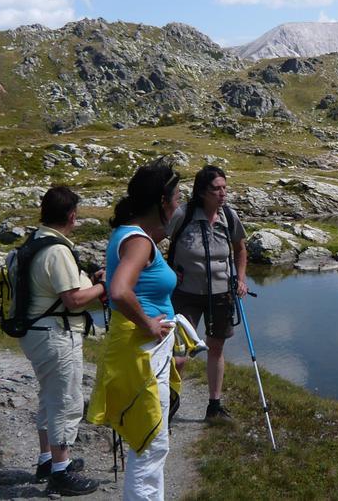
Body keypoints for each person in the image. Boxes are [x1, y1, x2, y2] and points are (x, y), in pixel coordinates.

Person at [87, 159, 182, 501]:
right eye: (176, 197)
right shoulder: (140, 241)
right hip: (141, 351)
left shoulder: (127, 233)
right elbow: (119, 291)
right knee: (151, 444)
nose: (178, 204)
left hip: (138, 349)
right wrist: (149, 325)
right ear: (161, 201)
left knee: (150, 442)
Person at [19, 186, 105, 497]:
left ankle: (47, 459)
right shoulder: (58, 251)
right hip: (56, 335)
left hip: (36, 332)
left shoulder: (34, 242)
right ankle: (61, 470)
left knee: (49, 396)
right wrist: (102, 287)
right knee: (65, 401)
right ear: (71, 215)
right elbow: (73, 299)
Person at [167, 165, 248, 421]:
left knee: (216, 348)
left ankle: (214, 406)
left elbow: (241, 249)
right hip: (186, 294)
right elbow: (153, 239)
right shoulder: (183, 214)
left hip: (222, 294)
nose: (223, 193)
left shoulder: (228, 217)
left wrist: (241, 279)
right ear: (202, 192)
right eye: (216, 189)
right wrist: (167, 271)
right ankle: (168, 402)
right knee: (179, 353)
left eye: (225, 187)